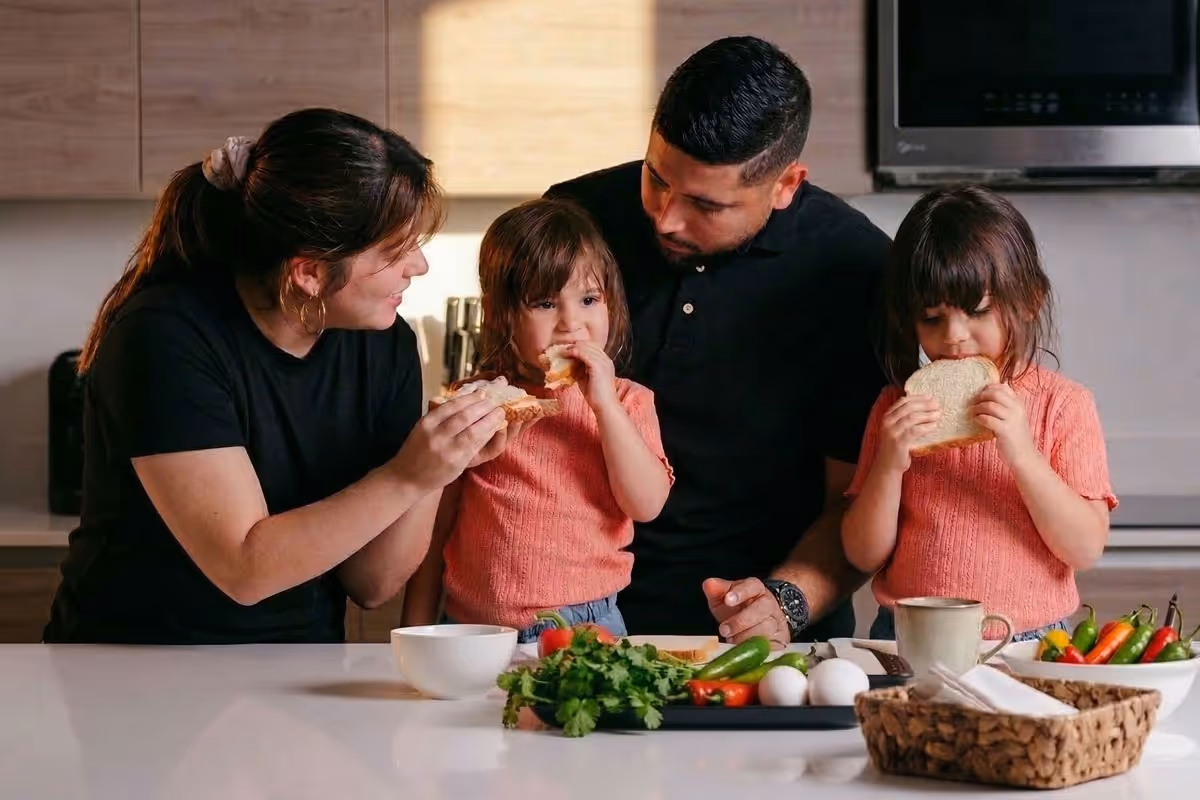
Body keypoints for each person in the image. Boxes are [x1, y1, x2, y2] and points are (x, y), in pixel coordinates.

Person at [43, 108, 517, 645]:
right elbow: (245, 569)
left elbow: (372, 581)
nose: (419, 267)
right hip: (134, 663)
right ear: (309, 272)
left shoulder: (385, 343)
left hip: (297, 666)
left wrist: (439, 467)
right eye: (394, 251)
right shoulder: (165, 338)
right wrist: (408, 475)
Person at [546, 36, 891, 647]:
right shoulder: (577, 217)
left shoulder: (855, 268)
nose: (666, 218)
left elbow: (858, 497)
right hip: (573, 621)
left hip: (756, 637)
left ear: (786, 184)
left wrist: (786, 601)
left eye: (707, 204)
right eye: (657, 178)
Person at [842, 184, 1117, 641]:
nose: (953, 337)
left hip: (1029, 638)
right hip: (907, 633)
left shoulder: (1063, 405)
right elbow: (862, 554)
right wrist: (889, 466)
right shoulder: (895, 409)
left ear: (1030, 300)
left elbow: (1084, 547)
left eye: (978, 312)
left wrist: (1023, 454)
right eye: (931, 319)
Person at [400, 197, 673, 641]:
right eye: (545, 303)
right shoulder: (475, 404)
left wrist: (603, 406)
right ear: (499, 314)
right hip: (473, 630)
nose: (571, 323)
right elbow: (434, 529)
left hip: (587, 626)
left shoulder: (627, 401)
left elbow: (645, 505)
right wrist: (412, 634)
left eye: (588, 299)